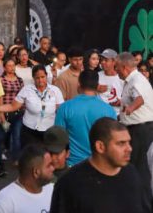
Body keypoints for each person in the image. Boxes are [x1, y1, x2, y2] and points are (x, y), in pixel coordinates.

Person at [50, 117, 151, 213]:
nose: (129, 148)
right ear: (100, 147)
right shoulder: (70, 184)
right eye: (121, 143)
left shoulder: (132, 174)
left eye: (129, 142)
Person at [0, 65, 64, 149]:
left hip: (49, 130)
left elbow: (61, 110)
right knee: (30, 157)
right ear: (33, 78)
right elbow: (12, 106)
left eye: (42, 77)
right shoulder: (27, 90)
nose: (40, 80)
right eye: (37, 78)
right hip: (30, 131)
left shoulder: (55, 90)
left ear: (46, 75)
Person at [54, 69, 116, 166]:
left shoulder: (65, 108)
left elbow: (58, 138)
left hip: (72, 164)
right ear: (97, 86)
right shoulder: (109, 110)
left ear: (79, 84)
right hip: (99, 165)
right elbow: (112, 140)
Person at [115, 51, 153, 194]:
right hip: (137, 129)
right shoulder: (133, 80)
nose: (116, 70)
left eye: (117, 67)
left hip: (141, 131)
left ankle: (142, 201)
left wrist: (131, 108)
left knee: (140, 168)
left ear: (124, 67)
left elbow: (140, 99)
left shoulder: (136, 80)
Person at [0, 145, 54, 213]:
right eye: (48, 166)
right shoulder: (3, 203)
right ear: (36, 172)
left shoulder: (53, 190)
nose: (53, 168)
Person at [0, 59, 24, 162]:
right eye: (9, 65)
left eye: (13, 65)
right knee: (5, 134)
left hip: (18, 111)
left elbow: (23, 94)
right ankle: (2, 151)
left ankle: (16, 158)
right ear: (4, 67)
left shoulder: (19, 80)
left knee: (17, 135)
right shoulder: (1, 80)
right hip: (6, 111)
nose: (12, 67)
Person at [97, 49, 123, 114]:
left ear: (114, 62)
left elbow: (130, 97)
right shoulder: (96, 76)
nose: (102, 62)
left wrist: (122, 101)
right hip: (100, 114)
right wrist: (95, 88)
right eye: (101, 60)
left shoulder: (122, 77)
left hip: (117, 114)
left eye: (106, 60)